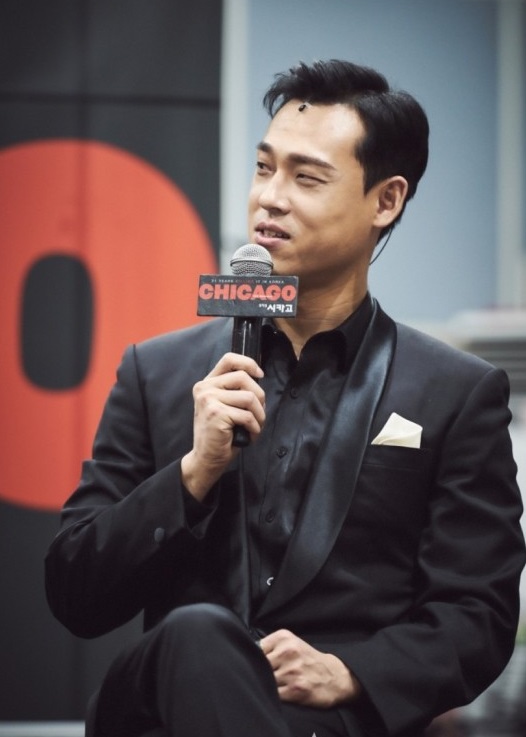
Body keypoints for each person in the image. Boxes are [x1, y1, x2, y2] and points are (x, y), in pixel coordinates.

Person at [45, 59, 525, 737]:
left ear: (385, 201)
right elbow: (74, 592)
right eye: (264, 168)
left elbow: (477, 614)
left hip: (320, 723)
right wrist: (193, 473)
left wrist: (350, 670)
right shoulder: (157, 372)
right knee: (197, 634)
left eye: (306, 177)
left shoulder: (453, 392)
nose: (270, 198)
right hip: (157, 710)